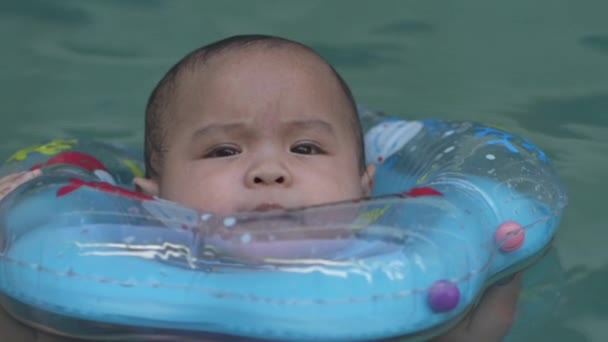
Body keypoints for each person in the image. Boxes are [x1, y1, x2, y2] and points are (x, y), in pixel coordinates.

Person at [0, 34, 520, 342]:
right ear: (149, 199)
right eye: (224, 151)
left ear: (367, 189)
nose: (269, 170)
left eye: (307, 148)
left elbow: (484, 324)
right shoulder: (112, 296)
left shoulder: (400, 276)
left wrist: (483, 255)